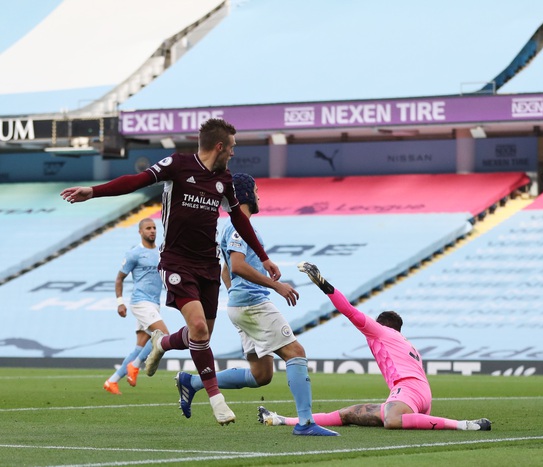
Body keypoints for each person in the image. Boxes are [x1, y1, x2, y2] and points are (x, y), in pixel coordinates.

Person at [60, 118, 281, 425]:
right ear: (219, 146)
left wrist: (264, 257)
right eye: (231, 147)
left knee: (198, 335)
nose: (233, 153)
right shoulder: (177, 165)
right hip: (177, 263)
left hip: (208, 266)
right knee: (200, 331)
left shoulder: (224, 179)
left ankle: (162, 343)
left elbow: (240, 221)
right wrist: (93, 191)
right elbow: (136, 181)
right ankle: (216, 399)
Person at [174, 173, 338, 436]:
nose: (259, 195)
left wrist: (237, 295)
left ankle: (192, 382)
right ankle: (306, 424)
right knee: (295, 352)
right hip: (253, 304)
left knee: (261, 375)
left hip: (240, 306)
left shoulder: (233, 226)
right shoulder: (240, 226)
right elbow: (237, 266)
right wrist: (276, 286)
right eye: (256, 190)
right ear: (245, 194)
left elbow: (226, 271)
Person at [257, 261, 491, 432]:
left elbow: (349, 311)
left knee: (392, 420)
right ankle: (280, 419)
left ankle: (464, 425)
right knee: (346, 415)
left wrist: (323, 284)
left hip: (408, 390)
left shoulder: (381, 331)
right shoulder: (404, 342)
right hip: (419, 393)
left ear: (383, 325)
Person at [103, 218, 167, 395]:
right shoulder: (134, 254)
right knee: (163, 336)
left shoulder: (162, 252)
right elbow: (119, 279)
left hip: (154, 303)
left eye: (154, 228)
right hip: (140, 302)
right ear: (140, 232)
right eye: (148, 228)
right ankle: (136, 365)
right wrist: (120, 302)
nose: (152, 231)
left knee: (140, 347)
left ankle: (112, 381)